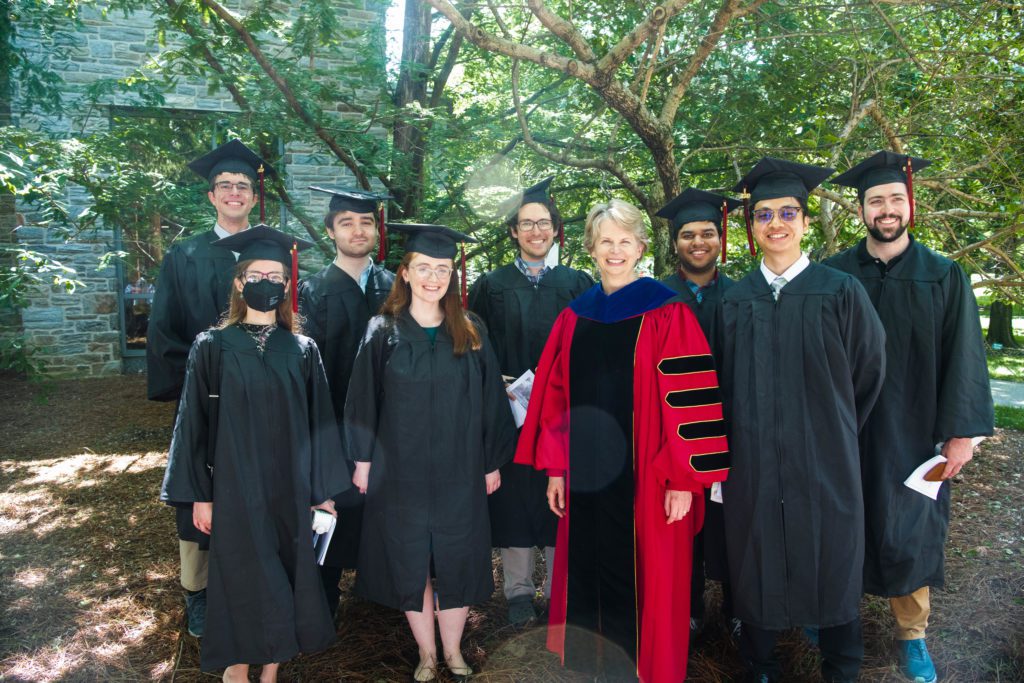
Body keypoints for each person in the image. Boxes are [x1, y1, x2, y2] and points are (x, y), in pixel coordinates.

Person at [515, 198, 730, 683]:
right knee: (590, 573)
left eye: (624, 241)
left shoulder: (667, 313)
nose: (615, 251)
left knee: (651, 581)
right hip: (587, 477)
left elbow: (690, 403)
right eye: (605, 241)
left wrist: (683, 479)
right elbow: (555, 397)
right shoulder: (576, 316)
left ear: (640, 247)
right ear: (591, 248)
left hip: (651, 478)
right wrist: (556, 468)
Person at [825, 151, 994, 683]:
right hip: (845, 427)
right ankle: (832, 619)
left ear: (909, 205)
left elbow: (965, 355)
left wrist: (961, 434)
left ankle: (912, 636)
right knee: (839, 521)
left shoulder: (943, 275)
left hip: (913, 428)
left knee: (911, 527)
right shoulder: (832, 275)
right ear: (861, 211)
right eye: (876, 200)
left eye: (895, 199)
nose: (887, 209)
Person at [717, 157, 887, 683]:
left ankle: (842, 667)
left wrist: (829, 429)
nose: (776, 223)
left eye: (788, 212)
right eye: (763, 214)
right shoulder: (732, 299)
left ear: (806, 222)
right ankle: (761, 664)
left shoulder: (839, 291)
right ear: (751, 228)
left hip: (826, 457)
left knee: (833, 557)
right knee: (755, 554)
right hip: (752, 459)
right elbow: (718, 381)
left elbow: (868, 372)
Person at [160, 225, 349, 680]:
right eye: (256, 273)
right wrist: (200, 495)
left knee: (287, 569)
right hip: (234, 483)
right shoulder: (212, 346)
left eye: (276, 275)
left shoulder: (303, 350)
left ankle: (271, 669)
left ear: (286, 286)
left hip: (291, 483)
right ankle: (237, 668)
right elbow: (193, 426)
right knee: (242, 575)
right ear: (240, 282)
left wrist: (322, 492)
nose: (267, 281)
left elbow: (320, 424)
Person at [344, 223, 518, 682]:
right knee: (408, 558)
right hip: (398, 469)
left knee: (457, 557)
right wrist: (362, 462)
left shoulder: (471, 329)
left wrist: (491, 461)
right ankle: (425, 652)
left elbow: (490, 403)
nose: (433, 277)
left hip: (460, 467)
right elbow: (362, 399)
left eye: (442, 269)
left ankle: (454, 649)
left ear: (452, 276)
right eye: (423, 268)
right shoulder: (381, 331)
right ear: (405, 273)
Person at [148, 139, 276, 638]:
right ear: (211, 196)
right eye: (225, 185)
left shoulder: (270, 252)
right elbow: (163, 330)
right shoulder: (186, 254)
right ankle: (197, 592)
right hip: (206, 394)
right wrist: (197, 384)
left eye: (243, 185)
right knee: (197, 488)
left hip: (263, 397)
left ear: (254, 195)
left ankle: (250, 584)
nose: (235, 193)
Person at [467, 177, 593, 626]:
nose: (536, 231)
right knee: (515, 498)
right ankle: (519, 593)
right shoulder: (490, 285)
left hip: (564, 411)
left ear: (556, 230)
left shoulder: (577, 283)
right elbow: (474, 345)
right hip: (510, 412)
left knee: (562, 495)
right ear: (514, 232)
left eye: (544, 223)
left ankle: (560, 592)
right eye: (526, 224)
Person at [298, 186, 396, 616]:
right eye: (346, 223)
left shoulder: (396, 285)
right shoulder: (312, 290)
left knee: (389, 510)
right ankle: (324, 598)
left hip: (392, 422)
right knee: (333, 506)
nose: (358, 230)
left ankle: (391, 596)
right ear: (330, 231)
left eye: (366, 222)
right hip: (333, 421)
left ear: (377, 229)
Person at [656, 188, 743, 642]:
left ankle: (737, 607)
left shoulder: (745, 295)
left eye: (707, 233)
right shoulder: (654, 298)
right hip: (679, 432)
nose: (698, 242)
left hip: (734, 430)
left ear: (720, 237)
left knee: (734, 522)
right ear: (675, 243)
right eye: (688, 234)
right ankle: (686, 607)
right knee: (681, 523)